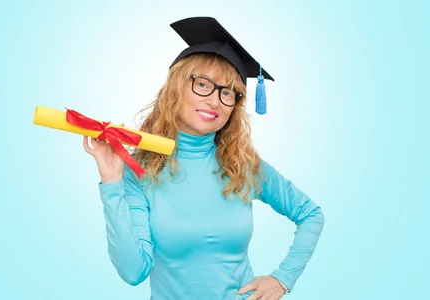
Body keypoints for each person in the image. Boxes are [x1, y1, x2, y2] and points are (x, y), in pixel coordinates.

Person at [82, 17, 325, 300]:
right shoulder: (140, 169)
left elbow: (311, 214)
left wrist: (283, 279)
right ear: (177, 88)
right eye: (203, 84)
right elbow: (133, 271)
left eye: (227, 93)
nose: (214, 101)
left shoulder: (243, 165)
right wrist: (112, 184)